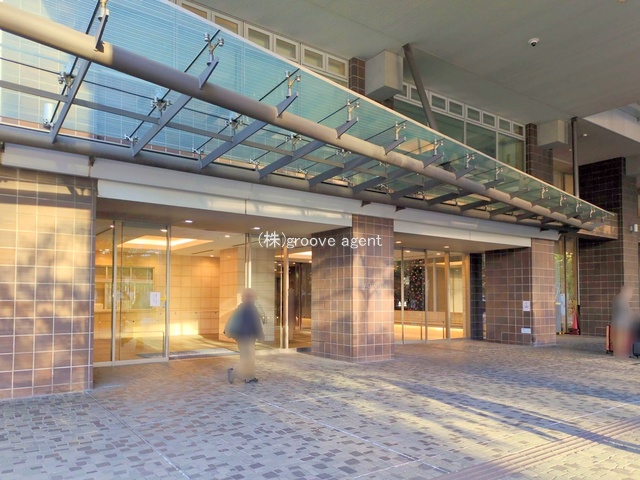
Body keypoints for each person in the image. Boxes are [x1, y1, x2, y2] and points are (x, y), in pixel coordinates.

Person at [225, 288, 265, 383]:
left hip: (241, 336)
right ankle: (234, 373)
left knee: (247, 357)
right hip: (247, 337)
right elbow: (256, 324)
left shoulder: (241, 307)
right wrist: (260, 335)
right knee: (248, 358)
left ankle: (249, 377)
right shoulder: (251, 308)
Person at [611, 285, 634, 357]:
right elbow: (626, 311)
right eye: (630, 292)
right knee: (620, 339)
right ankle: (619, 353)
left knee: (620, 339)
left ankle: (621, 353)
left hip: (620, 323)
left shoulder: (618, 298)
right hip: (620, 323)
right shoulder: (621, 299)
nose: (631, 295)